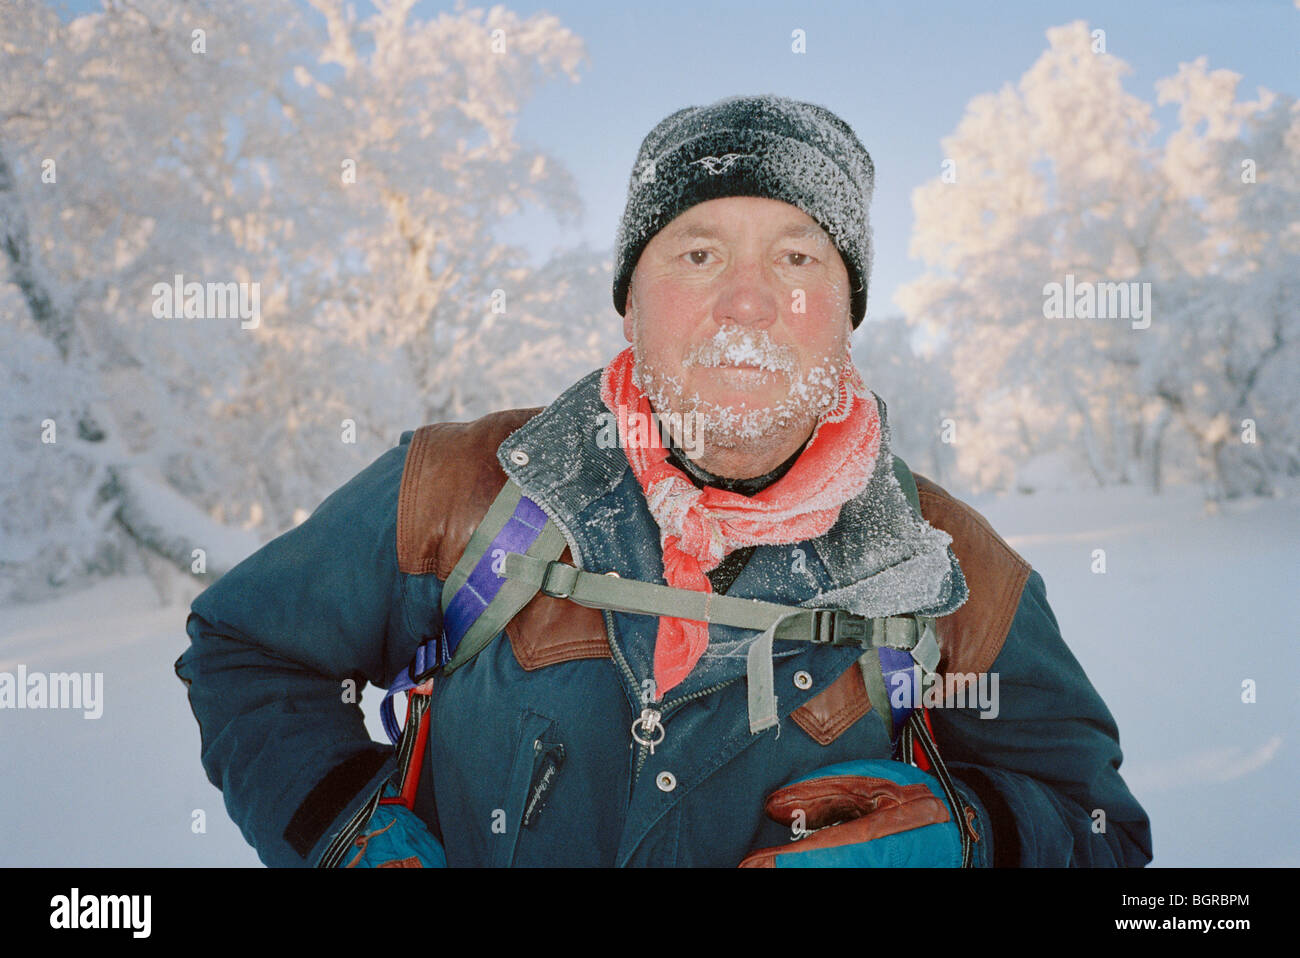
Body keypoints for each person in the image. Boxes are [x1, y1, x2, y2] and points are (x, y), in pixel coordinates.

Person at [175, 94, 1152, 868]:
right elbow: (247, 655)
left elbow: (1099, 824)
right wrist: (343, 831)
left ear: (845, 310)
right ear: (630, 302)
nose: (746, 298)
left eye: (797, 254)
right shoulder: (462, 489)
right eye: (697, 251)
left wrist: (975, 832)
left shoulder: (949, 569)